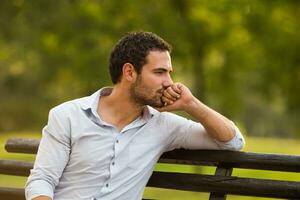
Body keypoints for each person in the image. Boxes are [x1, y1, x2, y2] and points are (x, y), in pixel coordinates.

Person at [25, 31, 245, 200]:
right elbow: (42, 180)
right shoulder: (68, 116)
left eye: (169, 72)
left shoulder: (164, 126)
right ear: (129, 72)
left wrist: (191, 104)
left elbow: (232, 141)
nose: (168, 81)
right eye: (159, 72)